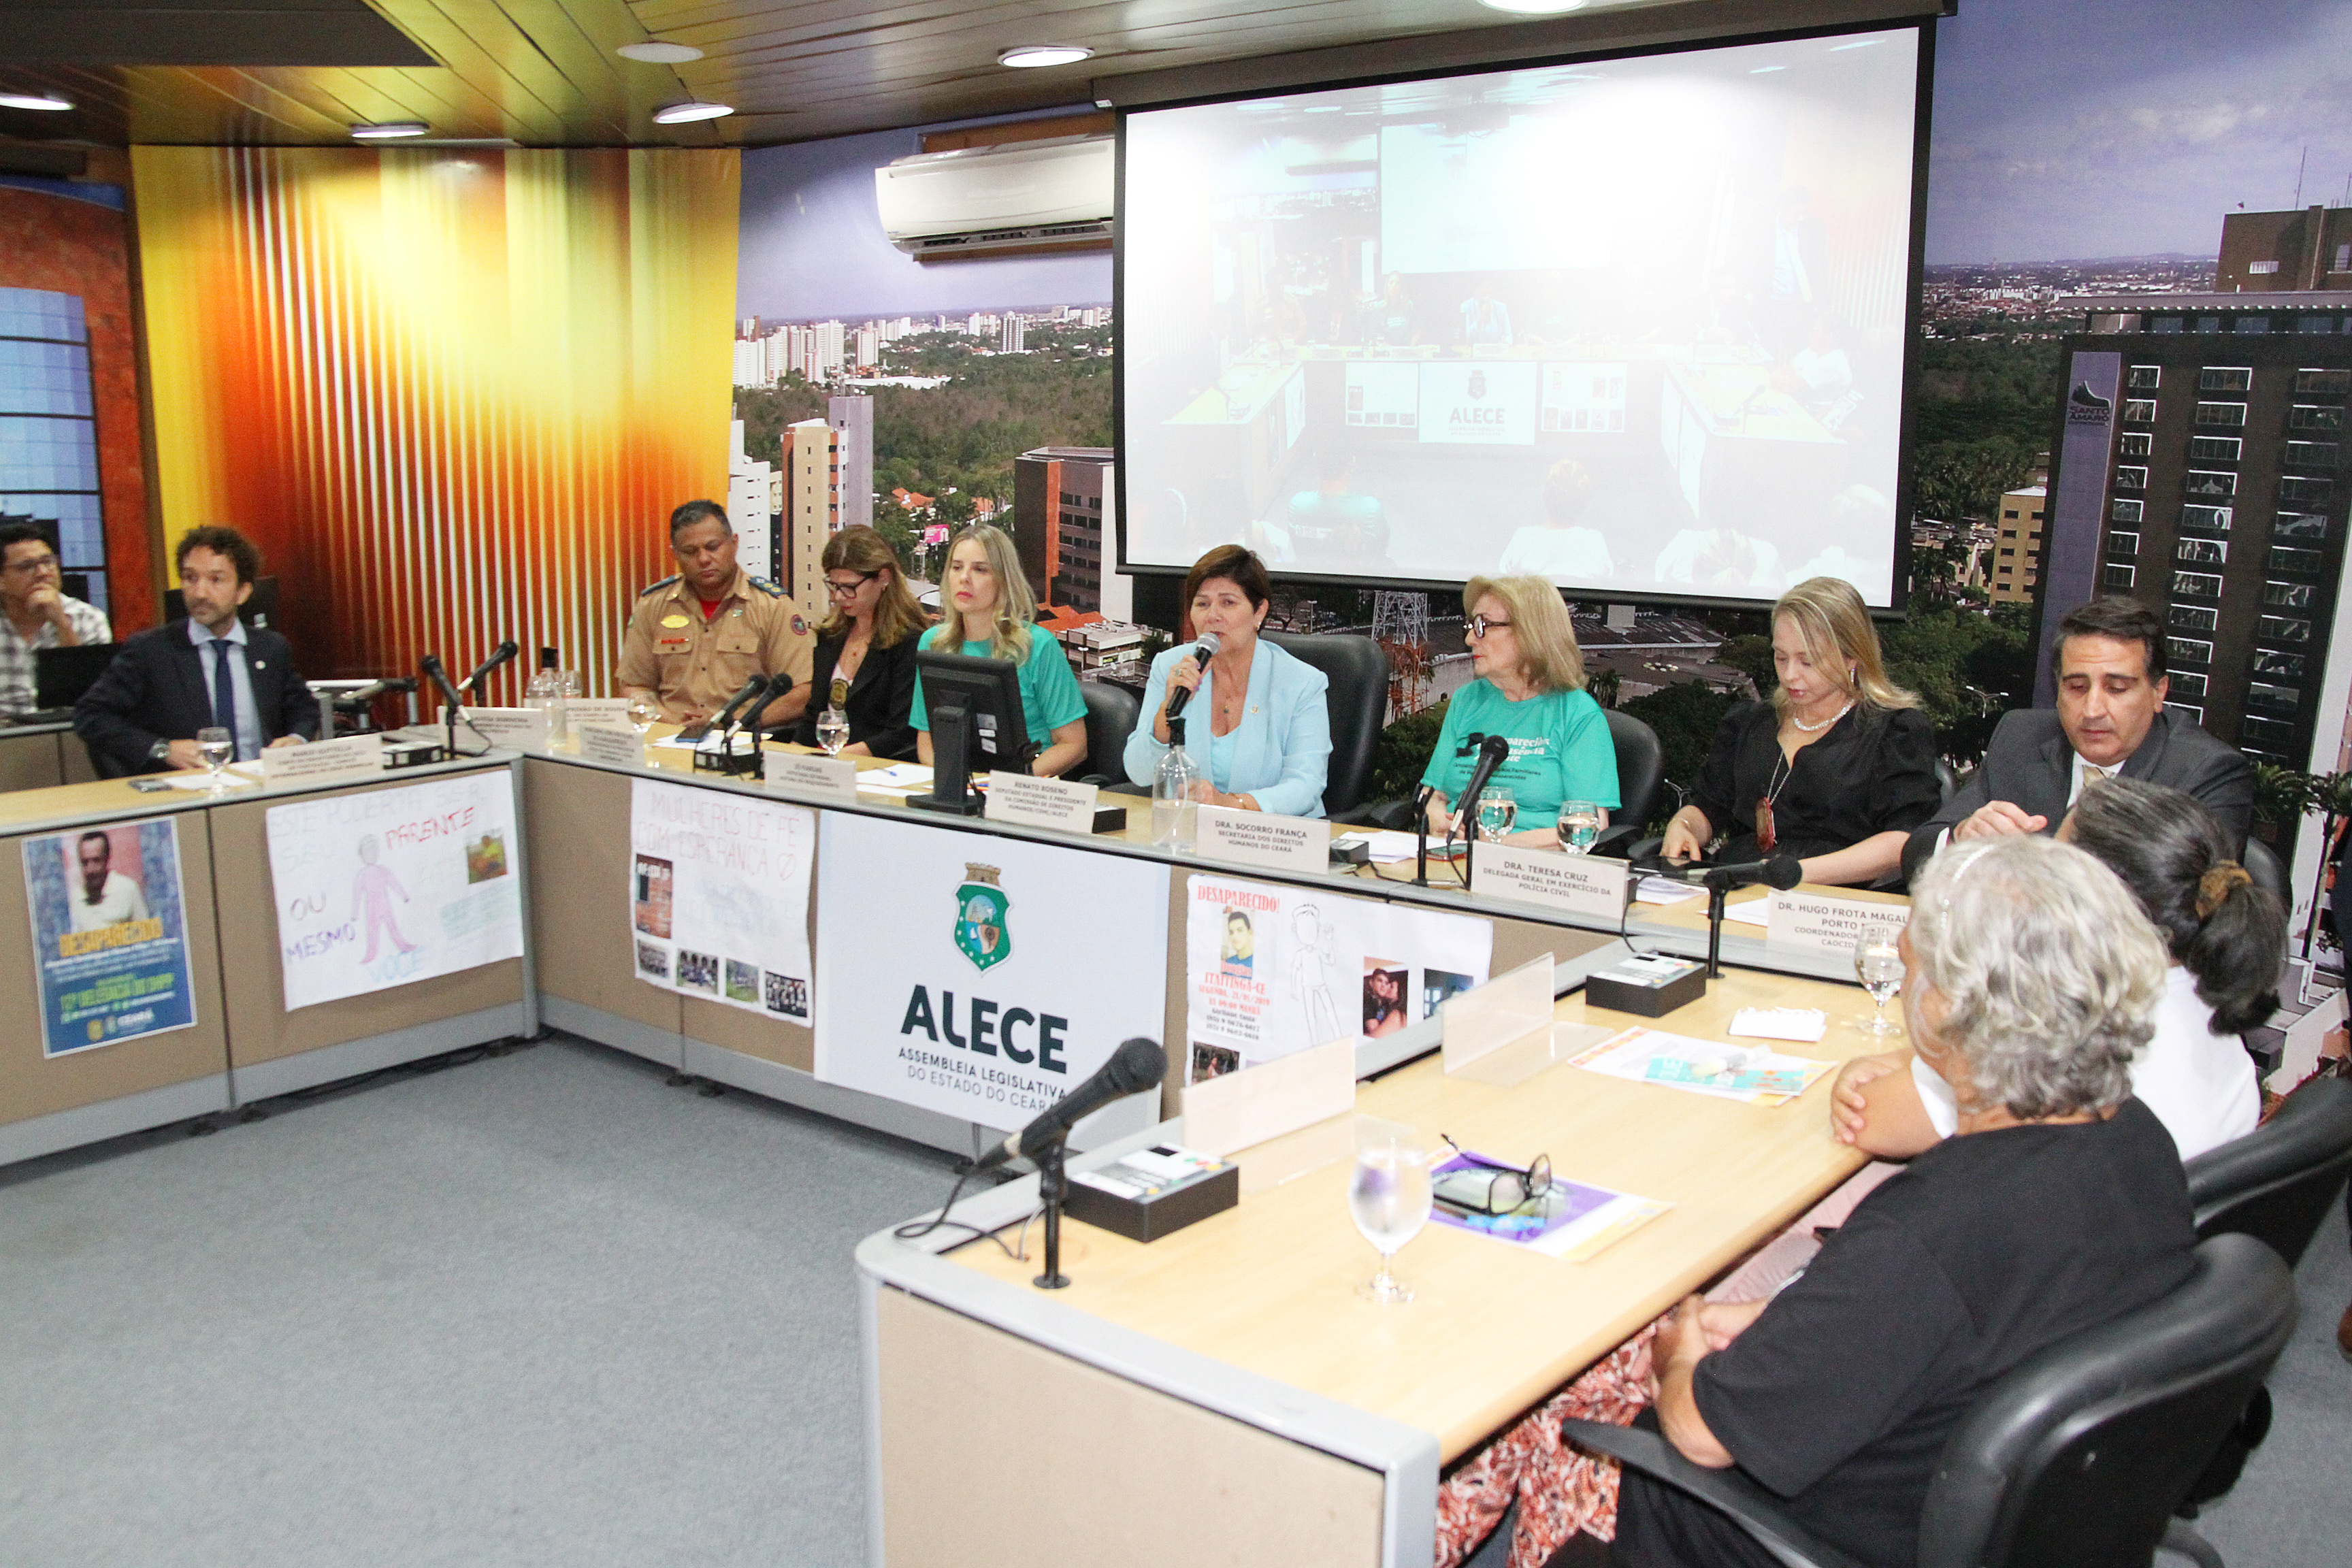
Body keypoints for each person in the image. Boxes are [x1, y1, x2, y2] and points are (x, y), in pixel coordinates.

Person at [1438, 835, 2198, 1568]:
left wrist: (1680, 1358)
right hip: (1972, 1494)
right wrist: (1793, 1321)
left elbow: (1700, 1432)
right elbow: (1938, 1325)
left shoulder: (1931, 1230)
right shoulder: (2137, 1142)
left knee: (1554, 1406)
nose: (1901, 967)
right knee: (1601, 1357)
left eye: (1913, 963)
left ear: (1949, 1011)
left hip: (1781, 1531)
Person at [1834, 777, 2278, 1163]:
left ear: (2088, 895)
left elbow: (1870, 1118)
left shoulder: (2085, 1018)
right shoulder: (2203, 992)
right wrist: (1912, 1060)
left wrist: (1887, 1065)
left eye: (2050, 866)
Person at [1902, 596, 2254, 881]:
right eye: (2076, 687)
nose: (2092, 710)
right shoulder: (2021, 737)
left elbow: (2191, 906)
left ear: (2158, 692)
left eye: (2117, 689)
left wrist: (2037, 869)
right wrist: (1960, 838)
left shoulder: (2206, 772)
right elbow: (1918, 852)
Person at [1661, 576, 1940, 885]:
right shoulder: (1751, 723)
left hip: (1839, 894)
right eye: (1781, 657)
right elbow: (1709, 808)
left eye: (1808, 662)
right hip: (1740, 886)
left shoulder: (1894, 732)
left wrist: (1790, 874)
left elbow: (1902, 840)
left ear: (1852, 657)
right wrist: (1684, 826)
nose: (1790, 675)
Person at [75, 526, 316, 774]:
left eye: (216, 580)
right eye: (190, 578)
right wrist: (162, 749)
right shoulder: (150, 651)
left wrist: (297, 738)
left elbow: (303, 707)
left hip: (261, 782)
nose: (200, 593)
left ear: (242, 592)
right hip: (188, 787)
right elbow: (91, 715)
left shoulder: (270, 648)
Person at [1124, 544, 1331, 816]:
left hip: (1274, 833)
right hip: (1191, 828)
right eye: (1202, 604)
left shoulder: (1302, 683)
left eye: (1228, 603)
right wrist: (1168, 710)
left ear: (1259, 612)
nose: (1212, 616)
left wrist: (1231, 804)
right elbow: (1138, 772)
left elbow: (1305, 786)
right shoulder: (1171, 667)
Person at [1420, 575, 1618, 847]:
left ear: (1530, 632)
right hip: (1452, 854)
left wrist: (1494, 846)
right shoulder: (1468, 700)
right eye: (1471, 626)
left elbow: (1589, 823)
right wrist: (1436, 819)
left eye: (1483, 626)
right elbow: (1434, 795)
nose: (1469, 639)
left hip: (1533, 865)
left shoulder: (1577, 714)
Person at [617, 500, 813, 731]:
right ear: (675, 554)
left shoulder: (772, 607)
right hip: (669, 735)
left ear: (734, 543)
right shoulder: (653, 605)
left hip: (742, 737)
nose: (703, 559)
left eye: (712, 547)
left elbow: (802, 693)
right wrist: (674, 724)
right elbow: (634, 686)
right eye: (690, 551)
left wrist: (728, 722)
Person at [909, 523, 1087, 777]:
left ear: (1004, 580)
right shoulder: (933, 643)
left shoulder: (1037, 645)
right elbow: (927, 740)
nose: (964, 578)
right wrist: (951, 780)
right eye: (957, 567)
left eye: (980, 569)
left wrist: (1006, 784)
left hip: (1023, 784)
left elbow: (1073, 745)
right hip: (957, 783)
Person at [791, 525, 926, 760]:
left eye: (849, 587)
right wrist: (790, 757)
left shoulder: (909, 642)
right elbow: (814, 716)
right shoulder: (830, 636)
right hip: (829, 764)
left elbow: (901, 732)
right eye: (833, 586)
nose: (838, 596)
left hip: (879, 767)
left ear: (883, 578)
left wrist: (835, 759)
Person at [0, 521, 111, 717]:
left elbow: (93, 700)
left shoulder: (88, 618)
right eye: (27, 566)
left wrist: (61, 623)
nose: (43, 573)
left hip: (66, 728)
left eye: (48, 562)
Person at [1499, 459, 1614, 581]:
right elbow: (1608, 578)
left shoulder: (1524, 538)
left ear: (1545, 496)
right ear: (1586, 504)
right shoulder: (1594, 542)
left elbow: (1502, 581)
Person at [68, 830, 147, 932]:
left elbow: (145, 933)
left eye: (96, 860)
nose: (90, 869)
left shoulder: (128, 889)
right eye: (85, 862)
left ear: (107, 858)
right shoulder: (77, 897)